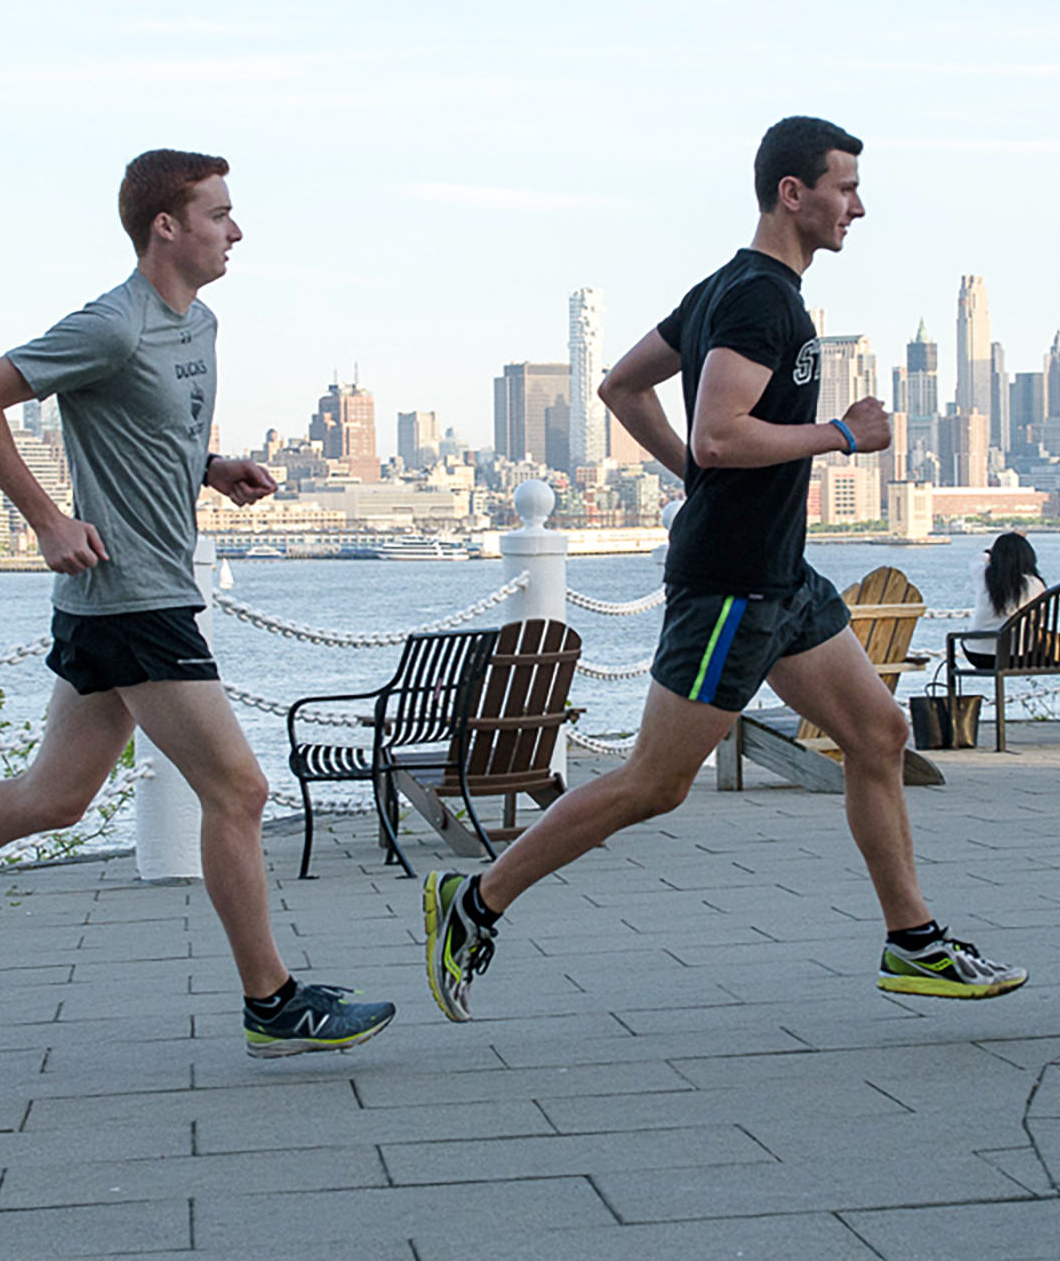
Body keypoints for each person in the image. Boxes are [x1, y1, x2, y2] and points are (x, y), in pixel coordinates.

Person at [418, 118, 1025, 1019]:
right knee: (653, 786)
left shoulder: (731, 288)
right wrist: (842, 436)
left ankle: (914, 943)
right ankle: (473, 901)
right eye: (844, 187)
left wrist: (694, 475)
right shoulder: (758, 299)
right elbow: (718, 432)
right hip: (732, 586)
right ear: (793, 192)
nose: (858, 206)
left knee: (880, 735)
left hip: (782, 578)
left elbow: (621, 388)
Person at [0, 153, 393, 1059]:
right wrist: (45, 519)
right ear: (166, 226)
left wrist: (210, 465)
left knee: (54, 796)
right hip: (129, 596)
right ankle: (272, 1003)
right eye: (219, 214)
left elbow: (149, 433)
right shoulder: (111, 325)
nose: (236, 231)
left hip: (136, 588)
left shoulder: (202, 324)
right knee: (239, 789)